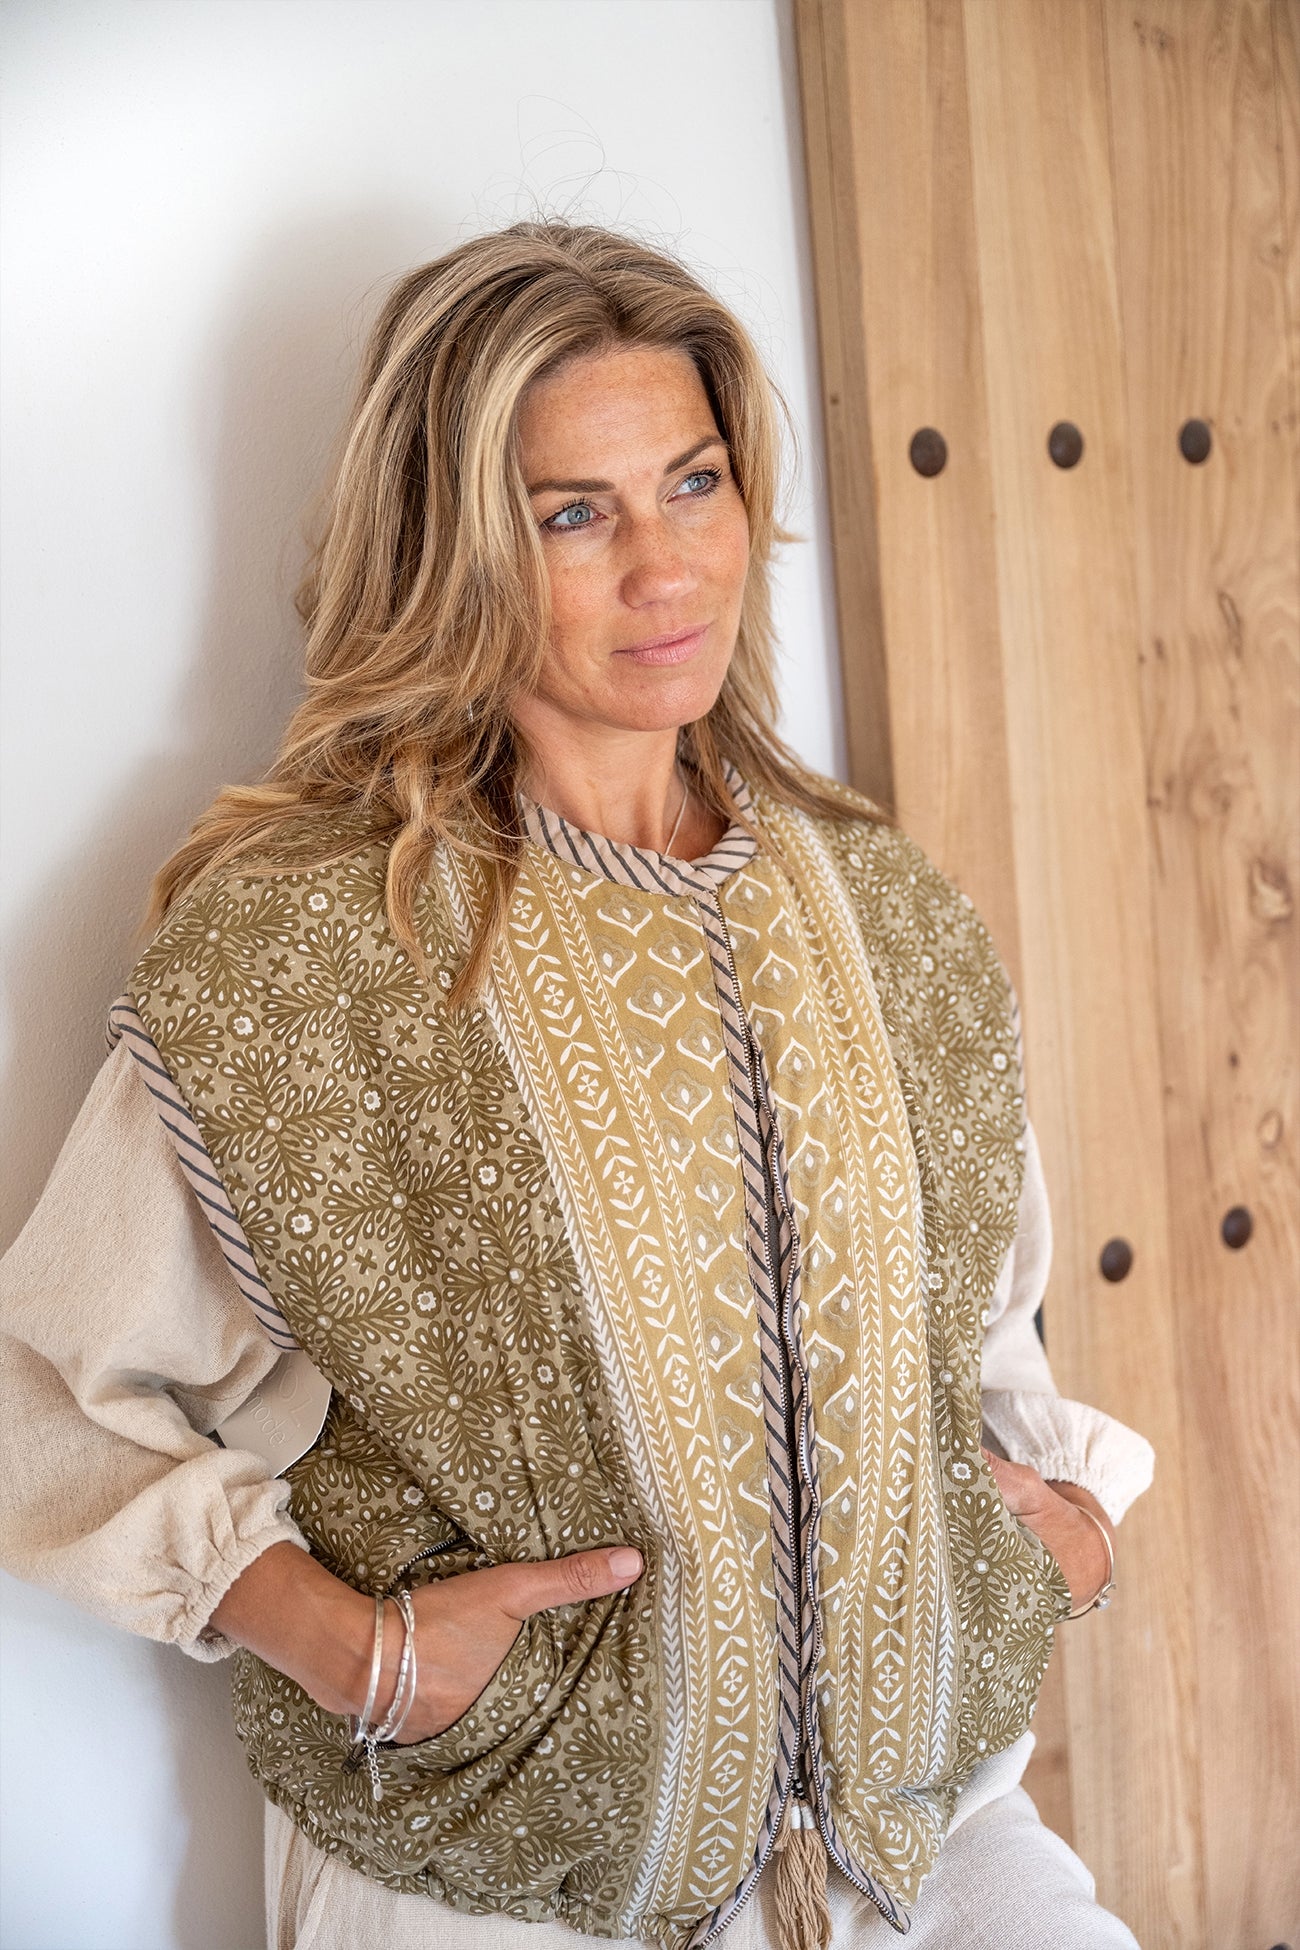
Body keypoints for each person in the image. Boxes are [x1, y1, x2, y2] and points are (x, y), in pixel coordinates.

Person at [0, 220, 1154, 1950]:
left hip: (930, 1834)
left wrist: (1069, 1538)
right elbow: (45, 1392)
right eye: (573, 514)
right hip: (507, 1872)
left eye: (693, 483)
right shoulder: (313, 950)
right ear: (457, 550)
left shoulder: (880, 905)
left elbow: (983, 1332)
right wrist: (352, 1647)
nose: (666, 568)